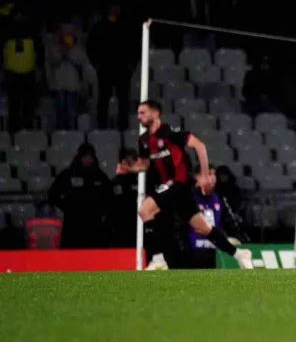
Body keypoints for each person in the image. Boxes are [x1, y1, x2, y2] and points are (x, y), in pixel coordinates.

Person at [116, 100, 253, 270]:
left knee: (145, 210)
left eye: (143, 112)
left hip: (179, 182)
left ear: (156, 113)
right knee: (202, 228)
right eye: (138, 113)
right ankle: (239, 254)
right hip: (171, 188)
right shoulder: (143, 140)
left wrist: (204, 175)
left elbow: (200, 146)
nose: (139, 117)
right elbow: (144, 165)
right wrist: (127, 169)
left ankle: (158, 258)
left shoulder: (170, 133)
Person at [178, 165, 250, 269]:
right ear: (197, 177)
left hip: (216, 253)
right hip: (192, 254)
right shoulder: (187, 198)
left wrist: (246, 241)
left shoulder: (219, 198)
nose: (212, 178)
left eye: (213, 174)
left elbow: (231, 223)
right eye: (208, 174)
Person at [48, 143, 112, 248]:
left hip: (94, 225)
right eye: (85, 157)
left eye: (90, 157)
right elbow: (52, 194)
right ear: (79, 157)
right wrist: (66, 207)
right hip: (73, 225)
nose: (88, 160)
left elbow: (109, 196)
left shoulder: (100, 175)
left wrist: (101, 210)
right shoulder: (68, 174)